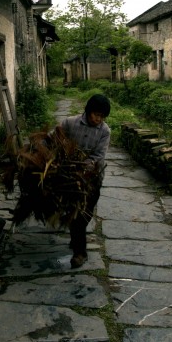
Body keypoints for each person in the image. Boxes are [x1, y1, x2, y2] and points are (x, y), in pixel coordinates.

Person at [60, 93, 111, 268]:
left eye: (102, 116)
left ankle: (76, 237)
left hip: (92, 179)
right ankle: (80, 252)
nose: (99, 119)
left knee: (86, 213)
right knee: (75, 214)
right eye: (96, 115)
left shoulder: (105, 131)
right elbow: (53, 139)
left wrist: (82, 166)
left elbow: (98, 156)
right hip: (68, 178)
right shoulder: (69, 123)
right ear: (88, 111)